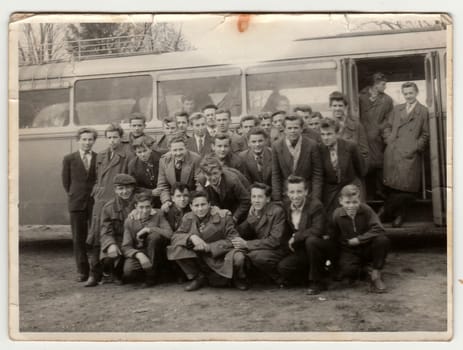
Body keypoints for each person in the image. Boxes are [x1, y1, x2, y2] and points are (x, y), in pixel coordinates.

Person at [167, 191, 248, 291]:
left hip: (220, 254)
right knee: (176, 248)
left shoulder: (224, 216)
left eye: (203, 204)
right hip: (199, 255)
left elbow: (234, 239)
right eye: (196, 205)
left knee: (238, 257)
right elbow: (175, 237)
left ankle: (237, 278)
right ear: (191, 207)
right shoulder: (188, 217)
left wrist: (210, 247)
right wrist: (191, 237)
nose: (200, 209)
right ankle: (198, 277)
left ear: (209, 204)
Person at [85, 124, 131, 287]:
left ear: (121, 137)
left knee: (117, 236)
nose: (112, 140)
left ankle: (114, 272)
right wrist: (97, 189)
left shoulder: (127, 155)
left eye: (115, 137)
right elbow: (98, 177)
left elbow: (128, 180)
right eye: (109, 137)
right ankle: (94, 274)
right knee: (97, 236)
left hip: (117, 200)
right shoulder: (101, 155)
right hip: (100, 201)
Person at [380, 82, 429, 227]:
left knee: (406, 188)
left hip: (409, 154)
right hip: (394, 153)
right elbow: (386, 127)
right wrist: (389, 140)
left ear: (416, 93)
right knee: (393, 186)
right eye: (405, 93)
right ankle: (397, 216)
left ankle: (386, 213)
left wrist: (415, 147)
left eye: (411, 93)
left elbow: (425, 134)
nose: (408, 96)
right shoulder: (397, 109)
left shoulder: (423, 111)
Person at [277, 176, 334, 295]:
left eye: (299, 191)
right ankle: (316, 276)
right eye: (292, 192)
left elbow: (318, 230)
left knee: (311, 241)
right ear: (287, 193)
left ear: (306, 192)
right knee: (283, 267)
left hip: (321, 246)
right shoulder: (286, 205)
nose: (295, 196)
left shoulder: (315, 205)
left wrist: (296, 237)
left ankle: (316, 282)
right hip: (302, 248)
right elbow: (286, 229)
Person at [329, 184, 390, 293]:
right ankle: (364, 270)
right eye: (347, 202)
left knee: (382, 240)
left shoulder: (366, 210)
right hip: (349, 250)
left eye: (355, 202)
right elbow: (334, 236)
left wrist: (360, 239)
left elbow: (379, 229)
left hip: (367, 247)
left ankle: (376, 273)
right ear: (340, 201)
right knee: (348, 272)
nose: (351, 206)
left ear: (360, 200)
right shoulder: (337, 215)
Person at [234, 183, 289, 286]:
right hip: (264, 248)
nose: (256, 200)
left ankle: (280, 279)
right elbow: (241, 231)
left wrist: (246, 244)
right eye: (253, 197)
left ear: (267, 199)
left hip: (279, 249)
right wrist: (251, 218)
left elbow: (275, 241)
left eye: (260, 197)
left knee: (256, 256)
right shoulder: (254, 211)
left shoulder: (277, 211)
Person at [61, 127, 98, 283]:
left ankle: (97, 270)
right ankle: (82, 271)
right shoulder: (69, 158)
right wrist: (75, 194)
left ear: (94, 141)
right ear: (78, 140)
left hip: (94, 201)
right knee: (78, 238)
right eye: (84, 139)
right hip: (76, 202)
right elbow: (66, 182)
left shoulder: (98, 157)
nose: (87, 142)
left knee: (96, 236)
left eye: (90, 139)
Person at [121, 192, 173, 287]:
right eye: (141, 207)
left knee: (155, 237)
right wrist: (139, 255)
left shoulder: (158, 214)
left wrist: (150, 229)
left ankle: (151, 276)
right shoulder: (129, 221)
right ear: (136, 206)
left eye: (147, 207)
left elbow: (169, 233)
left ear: (152, 205)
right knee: (129, 273)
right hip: (139, 251)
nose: (145, 210)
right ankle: (145, 273)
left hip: (156, 251)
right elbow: (126, 247)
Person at [319, 118, 367, 216]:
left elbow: (361, 170)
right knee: (331, 218)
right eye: (323, 134)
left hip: (350, 184)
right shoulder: (319, 149)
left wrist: (356, 188)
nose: (325, 138)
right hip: (331, 190)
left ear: (337, 134)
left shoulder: (350, 146)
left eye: (329, 134)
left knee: (356, 212)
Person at [272, 115, 323, 202]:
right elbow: (276, 174)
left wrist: (316, 198)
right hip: (286, 194)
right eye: (289, 128)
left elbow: (317, 174)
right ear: (284, 129)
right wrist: (277, 199)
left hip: (307, 194)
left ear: (301, 129)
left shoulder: (312, 145)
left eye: (296, 128)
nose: (293, 131)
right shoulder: (277, 145)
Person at [99, 174, 138, 285]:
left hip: (134, 242)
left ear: (133, 188)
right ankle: (110, 273)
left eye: (128, 188)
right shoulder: (109, 207)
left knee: (129, 273)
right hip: (117, 241)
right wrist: (111, 244)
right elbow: (105, 230)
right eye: (121, 188)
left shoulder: (140, 204)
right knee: (108, 258)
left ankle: (121, 271)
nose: (124, 192)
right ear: (115, 190)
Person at [359, 73, 394, 199]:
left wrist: (380, 129)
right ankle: (367, 193)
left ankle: (380, 191)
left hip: (378, 137)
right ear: (375, 84)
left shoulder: (387, 100)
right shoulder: (360, 97)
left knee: (379, 163)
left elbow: (389, 119)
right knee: (364, 163)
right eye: (383, 84)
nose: (385, 87)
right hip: (362, 136)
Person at [197, 155, 251, 224]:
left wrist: (234, 218)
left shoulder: (232, 181)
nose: (213, 178)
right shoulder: (202, 180)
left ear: (221, 171)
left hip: (239, 208)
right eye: (209, 174)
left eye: (215, 173)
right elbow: (209, 198)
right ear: (204, 174)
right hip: (222, 207)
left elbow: (246, 201)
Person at [157, 133, 201, 212]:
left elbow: (199, 183)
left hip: (191, 197)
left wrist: (193, 201)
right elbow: (162, 185)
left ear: (186, 147)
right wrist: (166, 201)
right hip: (173, 199)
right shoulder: (164, 160)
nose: (178, 153)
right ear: (169, 149)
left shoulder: (195, 159)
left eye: (181, 149)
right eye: (175, 150)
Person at [329, 91, 369, 167]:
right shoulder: (327, 126)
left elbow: (365, 152)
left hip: (352, 172)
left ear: (346, 107)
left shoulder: (356, 126)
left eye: (340, 105)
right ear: (330, 107)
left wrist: (360, 172)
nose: (337, 108)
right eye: (334, 105)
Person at [128, 135, 163, 207]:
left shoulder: (161, 158)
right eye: (139, 152)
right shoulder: (133, 165)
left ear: (150, 149)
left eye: (145, 151)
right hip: (145, 199)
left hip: (164, 194)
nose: (143, 154)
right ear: (135, 152)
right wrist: (150, 192)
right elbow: (133, 186)